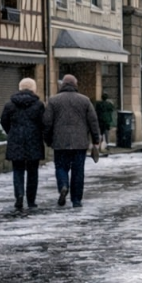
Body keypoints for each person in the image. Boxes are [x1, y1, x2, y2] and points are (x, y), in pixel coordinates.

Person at [43, 74, 100, 208]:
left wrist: (48, 139)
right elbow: (93, 121)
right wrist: (96, 140)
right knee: (78, 171)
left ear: (62, 85)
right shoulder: (85, 100)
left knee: (61, 167)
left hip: (60, 142)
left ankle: (63, 185)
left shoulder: (53, 101)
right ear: (76, 85)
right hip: (79, 143)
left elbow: (46, 122)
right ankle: (76, 200)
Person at [0, 78, 45, 210]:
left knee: (18, 170)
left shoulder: (10, 105)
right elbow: (43, 123)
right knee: (32, 172)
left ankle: (19, 195)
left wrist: (12, 132)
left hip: (16, 141)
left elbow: (4, 121)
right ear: (33, 89)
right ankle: (31, 200)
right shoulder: (39, 105)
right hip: (34, 141)